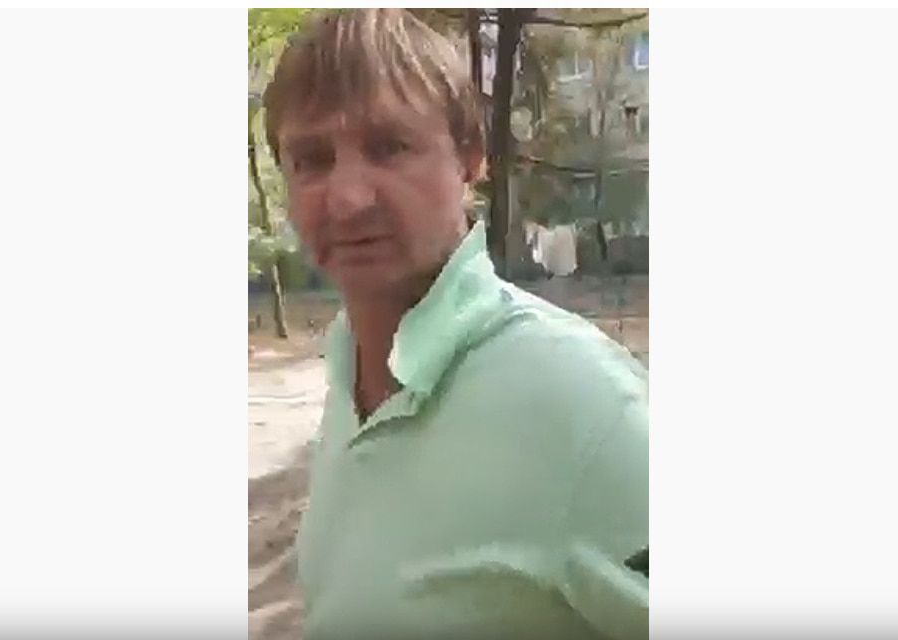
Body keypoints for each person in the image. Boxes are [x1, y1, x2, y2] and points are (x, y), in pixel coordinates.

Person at [262, 9, 648, 639]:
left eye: (390, 147)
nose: (348, 199)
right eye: (311, 159)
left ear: (471, 159)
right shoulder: (351, 378)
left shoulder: (582, 401)